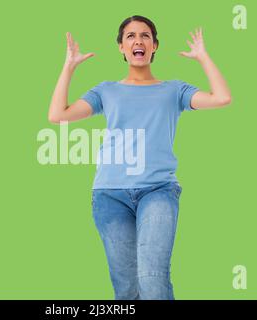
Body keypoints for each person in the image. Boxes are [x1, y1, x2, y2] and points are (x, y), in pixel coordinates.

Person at [48, 15, 232, 300]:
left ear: (155, 45)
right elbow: (57, 115)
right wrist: (68, 67)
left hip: (158, 190)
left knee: (153, 277)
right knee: (127, 289)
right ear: (121, 47)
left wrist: (203, 58)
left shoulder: (174, 90)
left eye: (145, 36)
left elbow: (221, 98)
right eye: (131, 36)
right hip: (110, 195)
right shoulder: (106, 90)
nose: (138, 41)